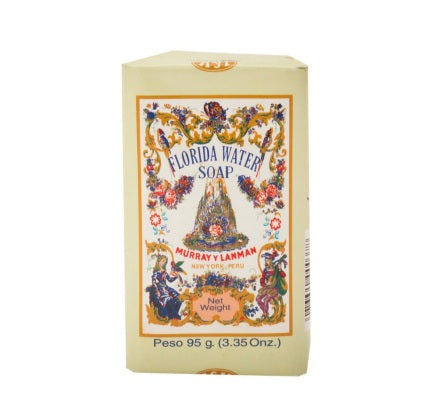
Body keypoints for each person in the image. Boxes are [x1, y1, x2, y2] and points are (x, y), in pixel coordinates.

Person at [147, 255, 182, 320]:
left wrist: (176, 277)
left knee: (179, 298)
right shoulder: (156, 272)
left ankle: (174, 314)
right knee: (168, 299)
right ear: (158, 261)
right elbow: (154, 283)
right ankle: (174, 315)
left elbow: (170, 280)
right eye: (162, 261)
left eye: (165, 262)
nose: (164, 263)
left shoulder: (164, 272)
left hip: (166, 288)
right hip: (160, 289)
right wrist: (157, 291)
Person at [256, 250, 287, 317]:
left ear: (271, 261)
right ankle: (265, 312)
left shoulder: (276, 269)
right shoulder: (265, 270)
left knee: (265, 300)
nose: (266, 262)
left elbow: (283, 275)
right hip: (267, 288)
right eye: (265, 260)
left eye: (267, 260)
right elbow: (262, 280)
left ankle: (265, 314)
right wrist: (265, 284)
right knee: (258, 299)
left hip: (275, 289)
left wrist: (280, 269)